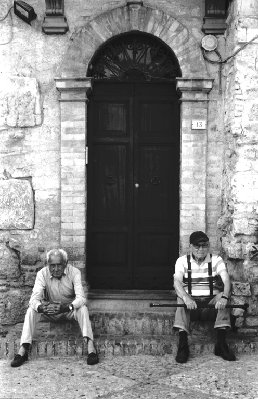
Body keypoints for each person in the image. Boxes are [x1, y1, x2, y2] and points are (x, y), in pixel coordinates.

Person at [11, 248, 99, 367]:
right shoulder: (42, 273)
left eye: (59, 265)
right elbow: (33, 299)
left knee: (82, 308)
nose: (56, 269)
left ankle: (90, 348)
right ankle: (23, 349)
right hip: (49, 310)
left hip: (68, 310)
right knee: (32, 310)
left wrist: (66, 307)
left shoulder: (75, 272)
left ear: (65, 264)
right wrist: (42, 308)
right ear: (48, 264)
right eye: (52, 265)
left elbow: (81, 298)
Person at [173, 231, 236, 363]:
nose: (201, 249)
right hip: (192, 306)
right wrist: (186, 298)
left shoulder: (216, 260)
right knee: (180, 298)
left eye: (204, 246)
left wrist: (224, 297)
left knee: (223, 297)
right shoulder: (182, 261)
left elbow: (226, 280)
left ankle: (221, 344)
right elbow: (176, 282)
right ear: (190, 246)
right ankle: (183, 345)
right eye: (197, 246)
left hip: (210, 305)